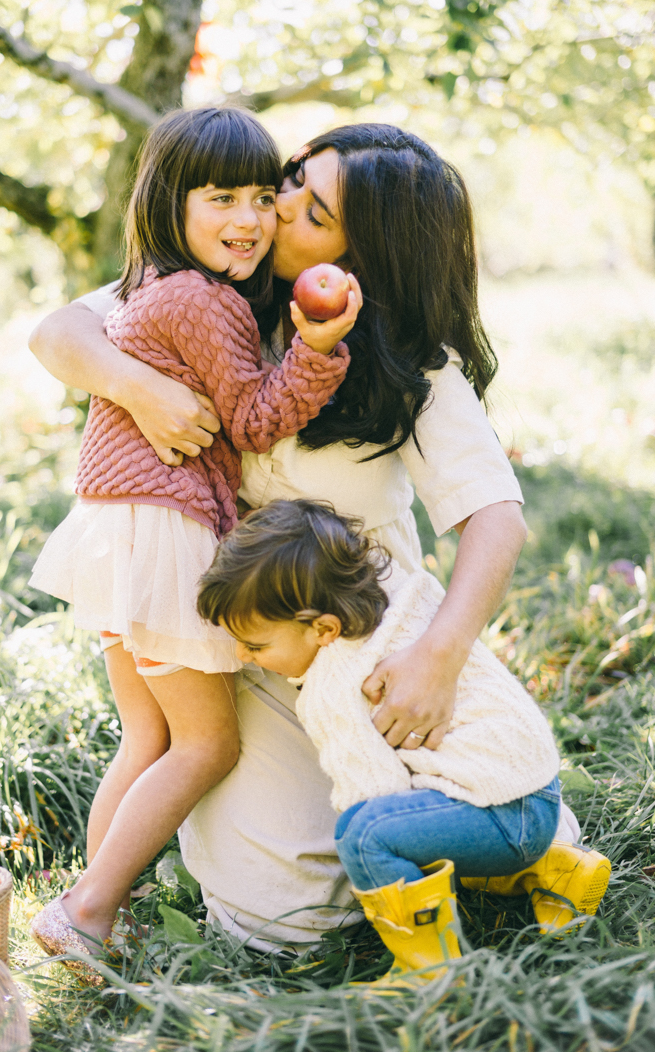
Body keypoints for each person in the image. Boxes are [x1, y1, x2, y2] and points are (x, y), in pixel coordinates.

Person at [29, 121, 578, 949]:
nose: (272, 210)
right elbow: (58, 332)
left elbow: (495, 516)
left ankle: (494, 820)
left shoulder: (405, 359)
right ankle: (96, 900)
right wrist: (137, 387)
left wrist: (439, 656)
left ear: (359, 256)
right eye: (289, 180)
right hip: (243, 640)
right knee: (285, 918)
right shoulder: (212, 283)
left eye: (307, 209)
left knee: (387, 846)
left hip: (364, 645)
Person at [27, 108, 361, 979]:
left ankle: (99, 915)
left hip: (119, 531)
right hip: (169, 530)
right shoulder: (204, 299)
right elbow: (253, 420)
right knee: (208, 744)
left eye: (262, 196)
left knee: (146, 739)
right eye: (221, 198)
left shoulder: (151, 288)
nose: (249, 219)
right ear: (169, 203)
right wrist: (319, 350)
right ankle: (87, 911)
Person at [197, 499, 612, 987]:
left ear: (324, 628)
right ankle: (557, 869)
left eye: (257, 645)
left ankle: (430, 971)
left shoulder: (335, 686)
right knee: (428, 810)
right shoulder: (405, 596)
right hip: (538, 793)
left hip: (505, 818)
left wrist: (374, 874)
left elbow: (376, 792)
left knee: (366, 832)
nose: (243, 655)